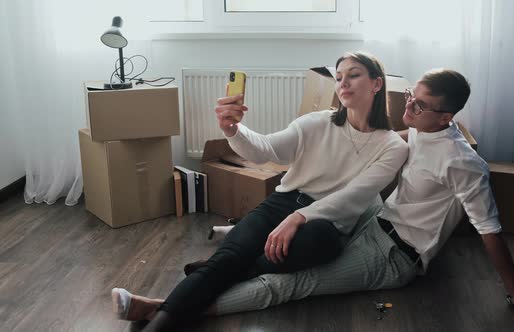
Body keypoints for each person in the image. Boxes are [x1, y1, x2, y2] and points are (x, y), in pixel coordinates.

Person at [114, 68, 514, 323]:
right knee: (295, 237)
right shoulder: (416, 133)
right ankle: (228, 259)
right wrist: (233, 128)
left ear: (445, 115)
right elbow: (285, 155)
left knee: (291, 282)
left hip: (399, 254)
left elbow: (489, 230)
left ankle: (168, 307)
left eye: (417, 104)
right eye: (409, 96)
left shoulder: (461, 162)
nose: (406, 106)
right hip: (377, 219)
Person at [111, 51, 409, 331]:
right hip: (282, 204)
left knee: (316, 245)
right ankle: (159, 319)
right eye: (340, 76)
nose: (343, 82)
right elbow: (264, 150)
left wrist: (297, 219)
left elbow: (354, 196)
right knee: (229, 261)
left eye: (353, 75)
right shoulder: (318, 122)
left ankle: (220, 270)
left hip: (327, 224)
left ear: (376, 84)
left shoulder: (392, 147)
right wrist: (233, 130)